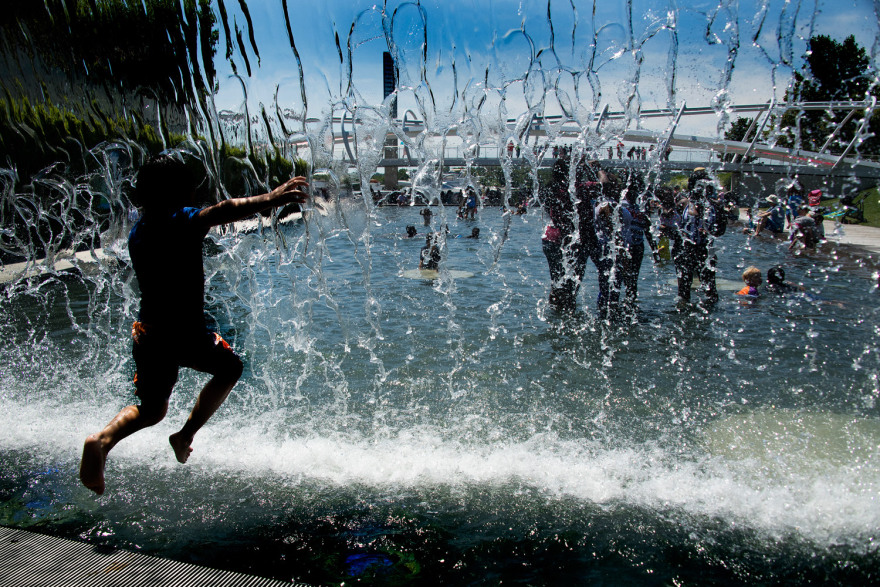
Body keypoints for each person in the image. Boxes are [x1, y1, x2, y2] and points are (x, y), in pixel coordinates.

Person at [79, 154, 310, 495]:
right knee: (230, 368)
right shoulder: (181, 221)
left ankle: (102, 440)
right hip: (184, 332)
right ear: (182, 193)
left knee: (151, 409)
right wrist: (271, 198)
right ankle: (184, 435)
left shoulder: (139, 232)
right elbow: (222, 210)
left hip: (149, 333)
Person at [673, 169, 725, 305]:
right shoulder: (684, 203)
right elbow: (676, 227)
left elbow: (720, 231)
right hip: (685, 250)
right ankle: (683, 312)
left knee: (710, 291)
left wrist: (709, 231)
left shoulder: (714, 205)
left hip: (705, 250)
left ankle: (709, 313)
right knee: (683, 292)